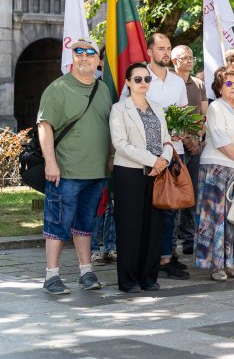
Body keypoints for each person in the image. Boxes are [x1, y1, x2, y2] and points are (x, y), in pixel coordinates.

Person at [36, 38, 112, 295]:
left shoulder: (102, 89)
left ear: (98, 60)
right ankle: (51, 276)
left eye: (90, 53)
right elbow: (44, 126)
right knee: (57, 223)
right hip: (65, 172)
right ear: (72, 57)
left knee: (85, 223)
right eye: (78, 52)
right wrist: (50, 162)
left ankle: (86, 271)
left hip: (96, 172)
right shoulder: (58, 88)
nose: (84, 57)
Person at [127, 33, 190, 280]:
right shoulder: (139, 77)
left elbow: (184, 114)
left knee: (170, 208)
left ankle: (166, 257)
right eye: (161, 48)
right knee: (147, 207)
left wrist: (183, 132)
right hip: (146, 156)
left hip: (174, 154)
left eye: (168, 48)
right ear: (150, 51)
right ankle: (148, 257)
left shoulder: (176, 82)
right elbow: (128, 113)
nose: (166, 52)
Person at [109, 62, 175, 292]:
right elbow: (120, 144)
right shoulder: (120, 109)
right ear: (128, 82)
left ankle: (149, 277)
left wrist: (164, 160)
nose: (143, 83)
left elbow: (167, 140)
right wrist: (152, 160)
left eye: (146, 79)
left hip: (157, 173)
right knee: (130, 227)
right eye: (137, 79)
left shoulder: (157, 108)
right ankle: (128, 280)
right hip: (129, 173)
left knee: (153, 226)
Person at [196, 66, 234, 281]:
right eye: (228, 83)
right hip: (217, 169)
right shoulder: (216, 108)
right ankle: (217, 266)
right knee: (216, 219)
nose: (233, 87)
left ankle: (232, 264)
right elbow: (221, 140)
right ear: (220, 88)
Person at [171, 44, 208, 256]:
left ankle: (188, 237)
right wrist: (186, 140)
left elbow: (204, 114)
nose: (189, 60)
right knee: (175, 191)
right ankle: (172, 238)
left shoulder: (199, 84)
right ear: (174, 61)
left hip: (196, 144)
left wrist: (199, 138)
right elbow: (171, 114)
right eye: (184, 57)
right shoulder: (170, 82)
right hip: (177, 145)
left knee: (191, 192)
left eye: (191, 57)